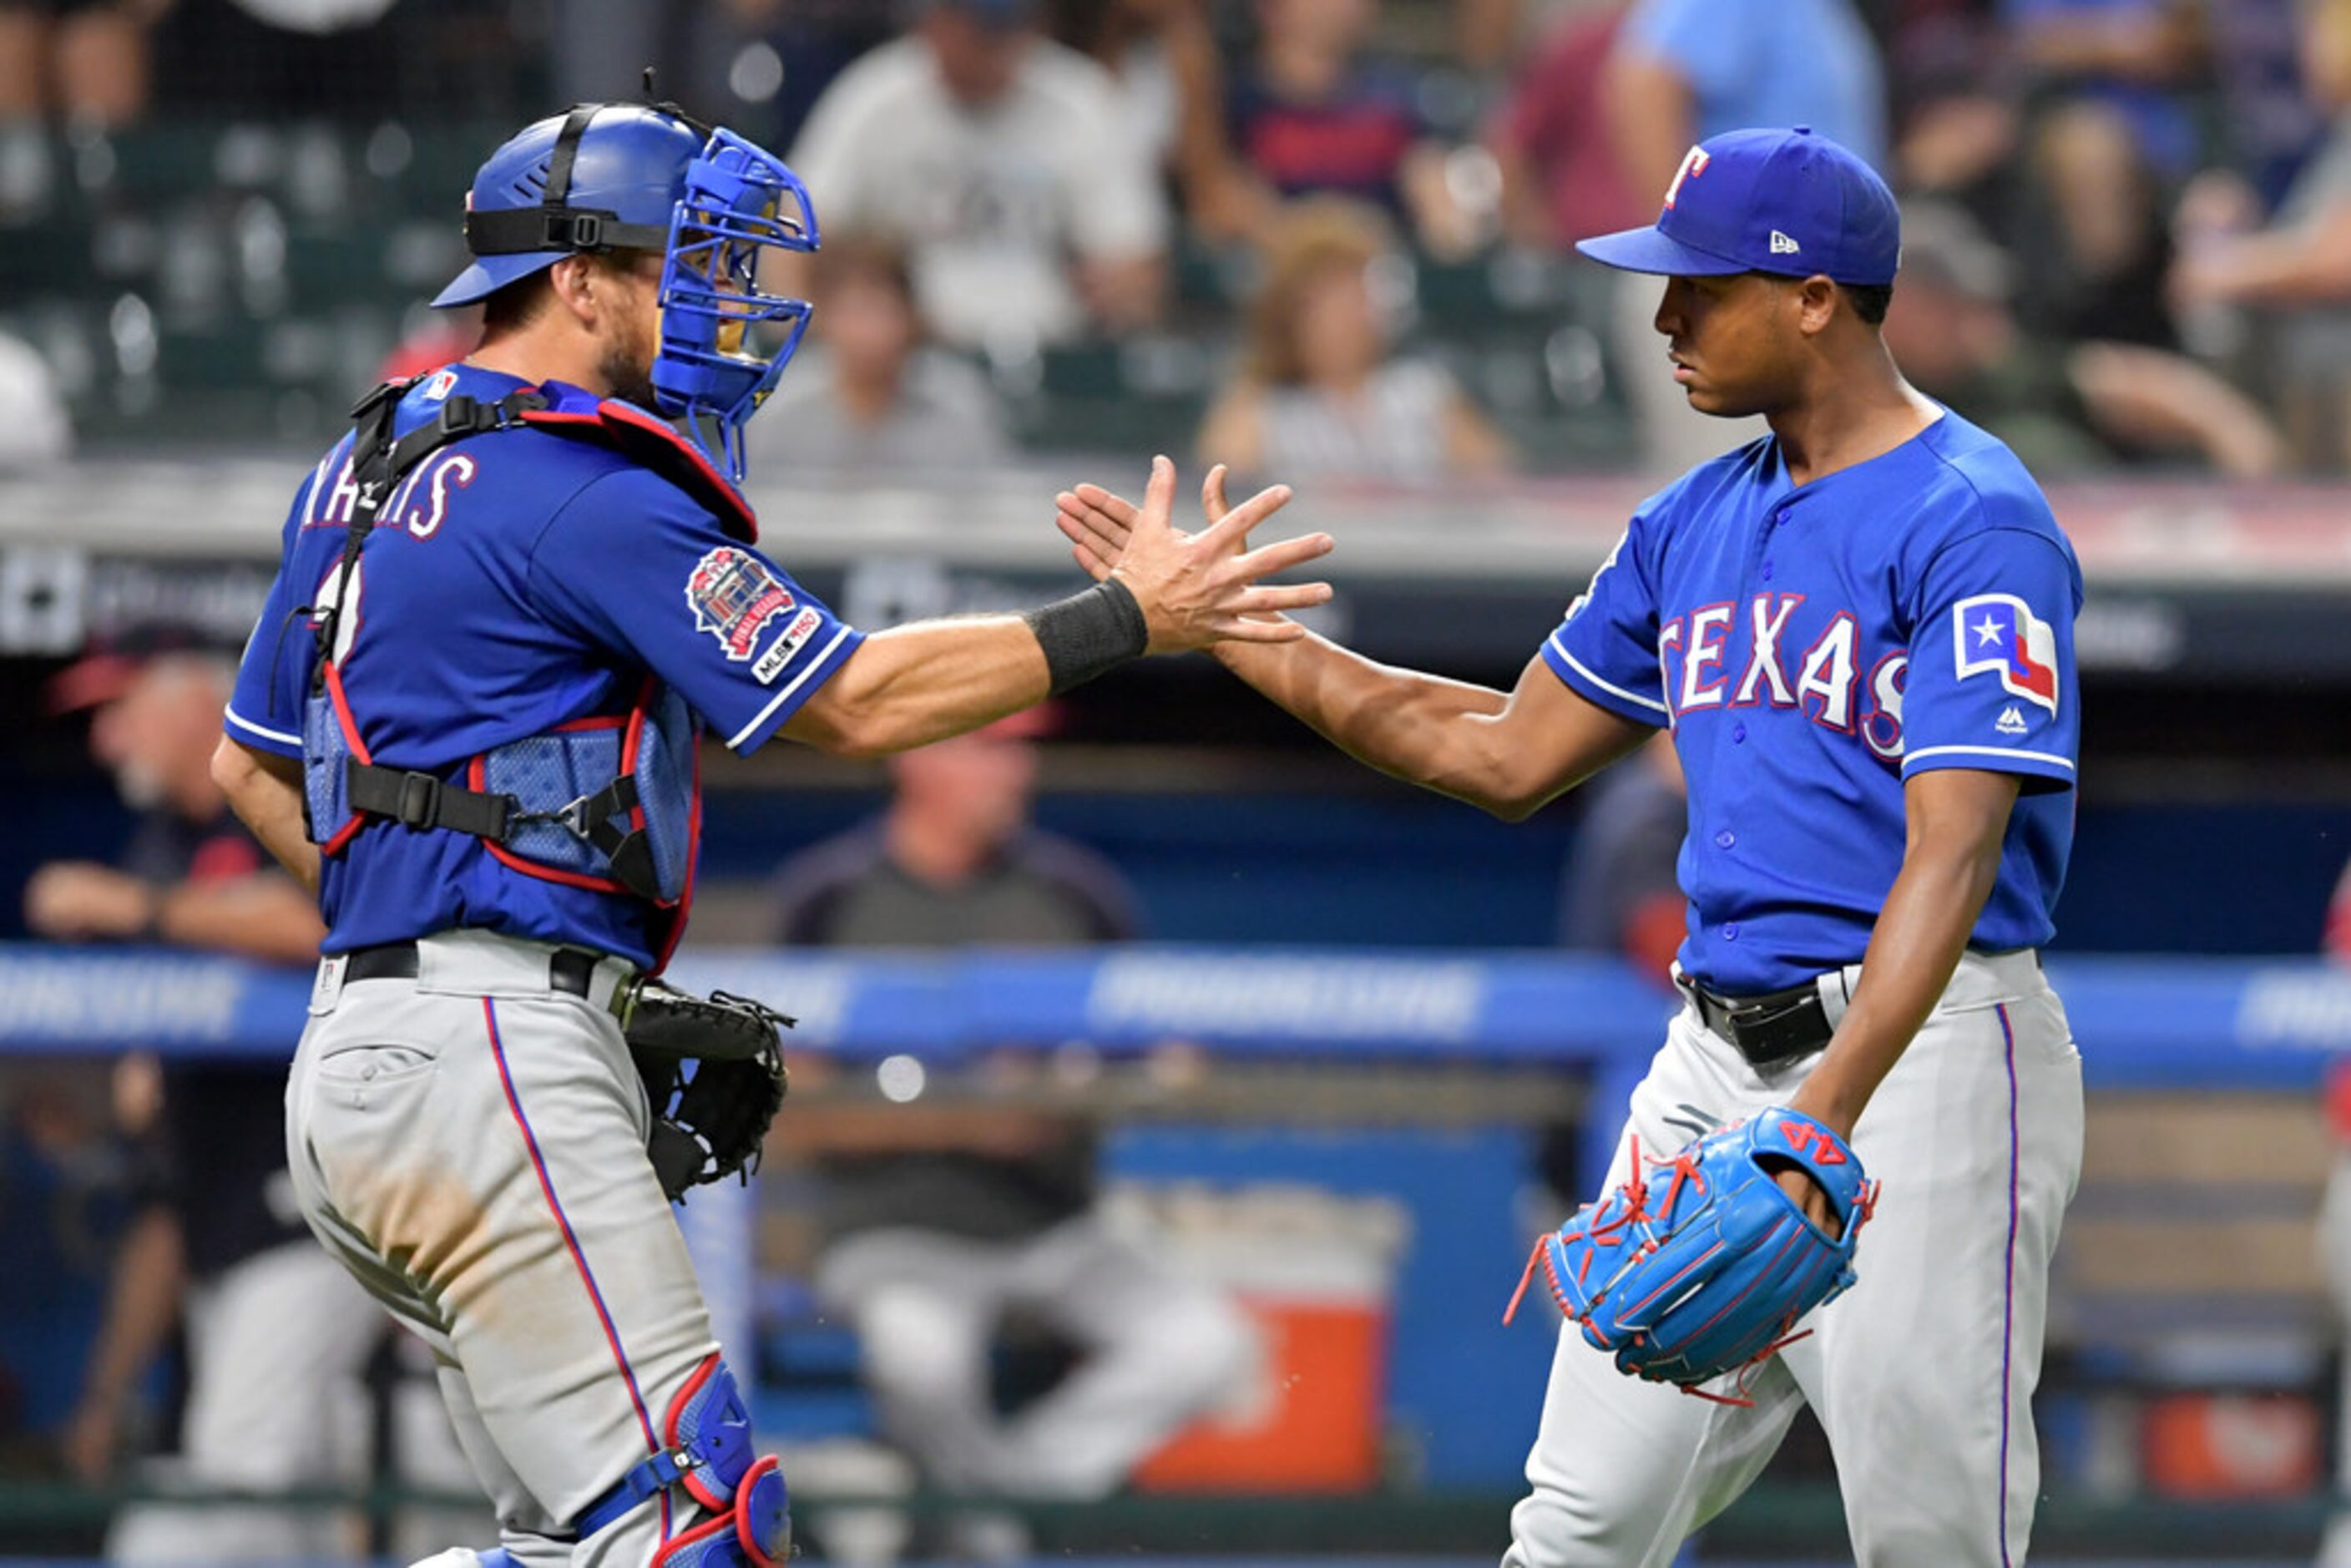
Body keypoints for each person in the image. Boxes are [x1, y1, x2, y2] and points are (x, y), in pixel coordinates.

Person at [209, 99, 1328, 1568]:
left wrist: (474, 939)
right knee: (693, 1527)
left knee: (583, 1536)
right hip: (488, 1063)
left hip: (359, 1063)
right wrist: (1130, 618)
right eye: (689, 265)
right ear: (577, 278)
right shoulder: (579, 483)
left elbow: (250, 772)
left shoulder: (364, 462)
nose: (725, 311)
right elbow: (852, 701)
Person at [1059, 125, 2086, 1565]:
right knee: (1580, 1519)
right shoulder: (1688, 522)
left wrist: (1817, 1122)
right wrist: (1234, 630)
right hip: (1714, 1049)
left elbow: (1956, 851)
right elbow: (1500, 751)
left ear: (1813, 297)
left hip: (1918, 1056)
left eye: (1701, 287)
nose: (1664, 318)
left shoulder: (1972, 514)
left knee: (1930, 1539)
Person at [35, 650, 483, 1564]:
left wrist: (138, 910)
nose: (107, 738)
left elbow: (319, 919)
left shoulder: (301, 786)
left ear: (201, 705)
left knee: (250, 1469)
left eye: (124, 712)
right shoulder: (165, 840)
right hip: (221, 1199)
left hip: (335, 1186)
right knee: (298, 1479)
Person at [769, 709, 1253, 1512]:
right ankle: (999, 1520)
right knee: (918, 1360)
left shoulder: (1073, 891)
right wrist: (973, 1116)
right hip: (895, 1233)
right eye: (989, 747)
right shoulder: (832, 894)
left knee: (1210, 1349)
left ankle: (1008, 1505)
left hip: (1055, 1226)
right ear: (913, 755)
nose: (1015, 770)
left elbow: (1160, 1057)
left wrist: (1086, 1089)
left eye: (1023, 750)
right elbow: (792, 1102)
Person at [1600, 0, 1885, 473]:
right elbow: (1645, 83)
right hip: (1735, 284)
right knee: (1739, 505)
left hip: (1796, 287)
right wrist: (1691, 246)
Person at [786, 0, 1169, 350]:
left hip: (1054, 356)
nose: (993, 46)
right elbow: (791, 236)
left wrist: (1114, 287)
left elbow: (1137, 264)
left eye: (1006, 29)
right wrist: (820, 331)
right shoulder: (876, 96)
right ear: (933, 23)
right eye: (977, 28)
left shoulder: (1081, 100)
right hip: (912, 359)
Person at [1197, 197, 1512, 483]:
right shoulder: (1259, 411)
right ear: (1287, 315)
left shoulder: (1422, 394)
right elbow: (1221, 506)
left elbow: (1499, 484)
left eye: (1356, 294)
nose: (1348, 316)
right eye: (1328, 301)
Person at [744, 232, 1010, 477]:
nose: (869, 333)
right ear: (824, 318)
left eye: (882, 312)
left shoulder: (960, 406)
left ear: (911, 317)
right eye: (855, 313)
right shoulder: (780, 412)